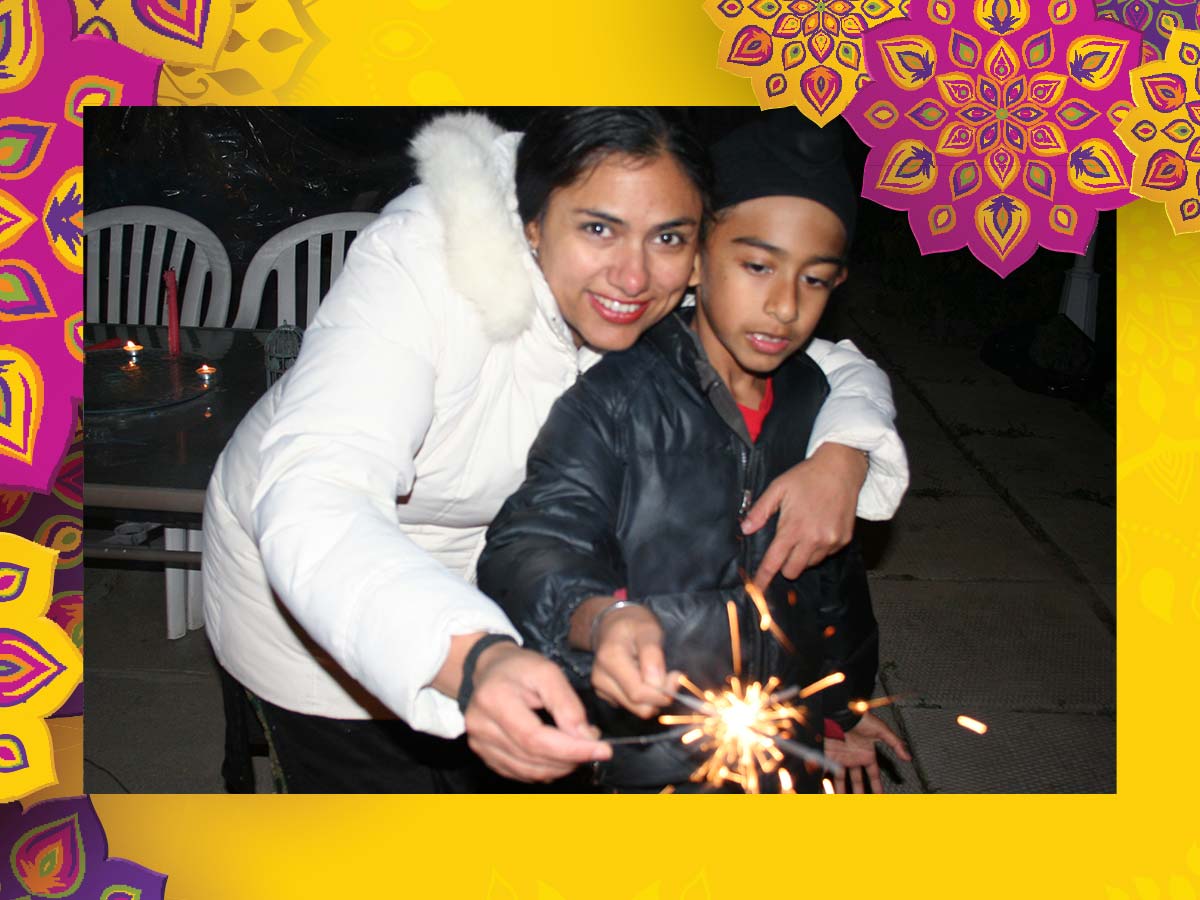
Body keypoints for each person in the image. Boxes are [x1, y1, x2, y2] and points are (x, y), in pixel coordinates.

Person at [201, 108, 909, 792]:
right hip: (329, 590)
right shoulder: (426, 264)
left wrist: (843, 453)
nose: (633, 279)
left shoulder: (676, 291)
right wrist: (472, 658)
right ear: (532, 223)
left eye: (668, 239)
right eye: (599, 228)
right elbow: (317, 496)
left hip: (516, 594)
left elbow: (823, 360)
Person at [478, 110, 910, 793]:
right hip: (636, 755)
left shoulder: (818, 408)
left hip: (773, 747)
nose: (783, 306)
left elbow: (832, 588)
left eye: (815, 279)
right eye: (758, 265)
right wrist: (599, 617)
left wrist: (840, 708)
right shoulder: (614, 401)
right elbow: (531, 545)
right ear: (698, 257)